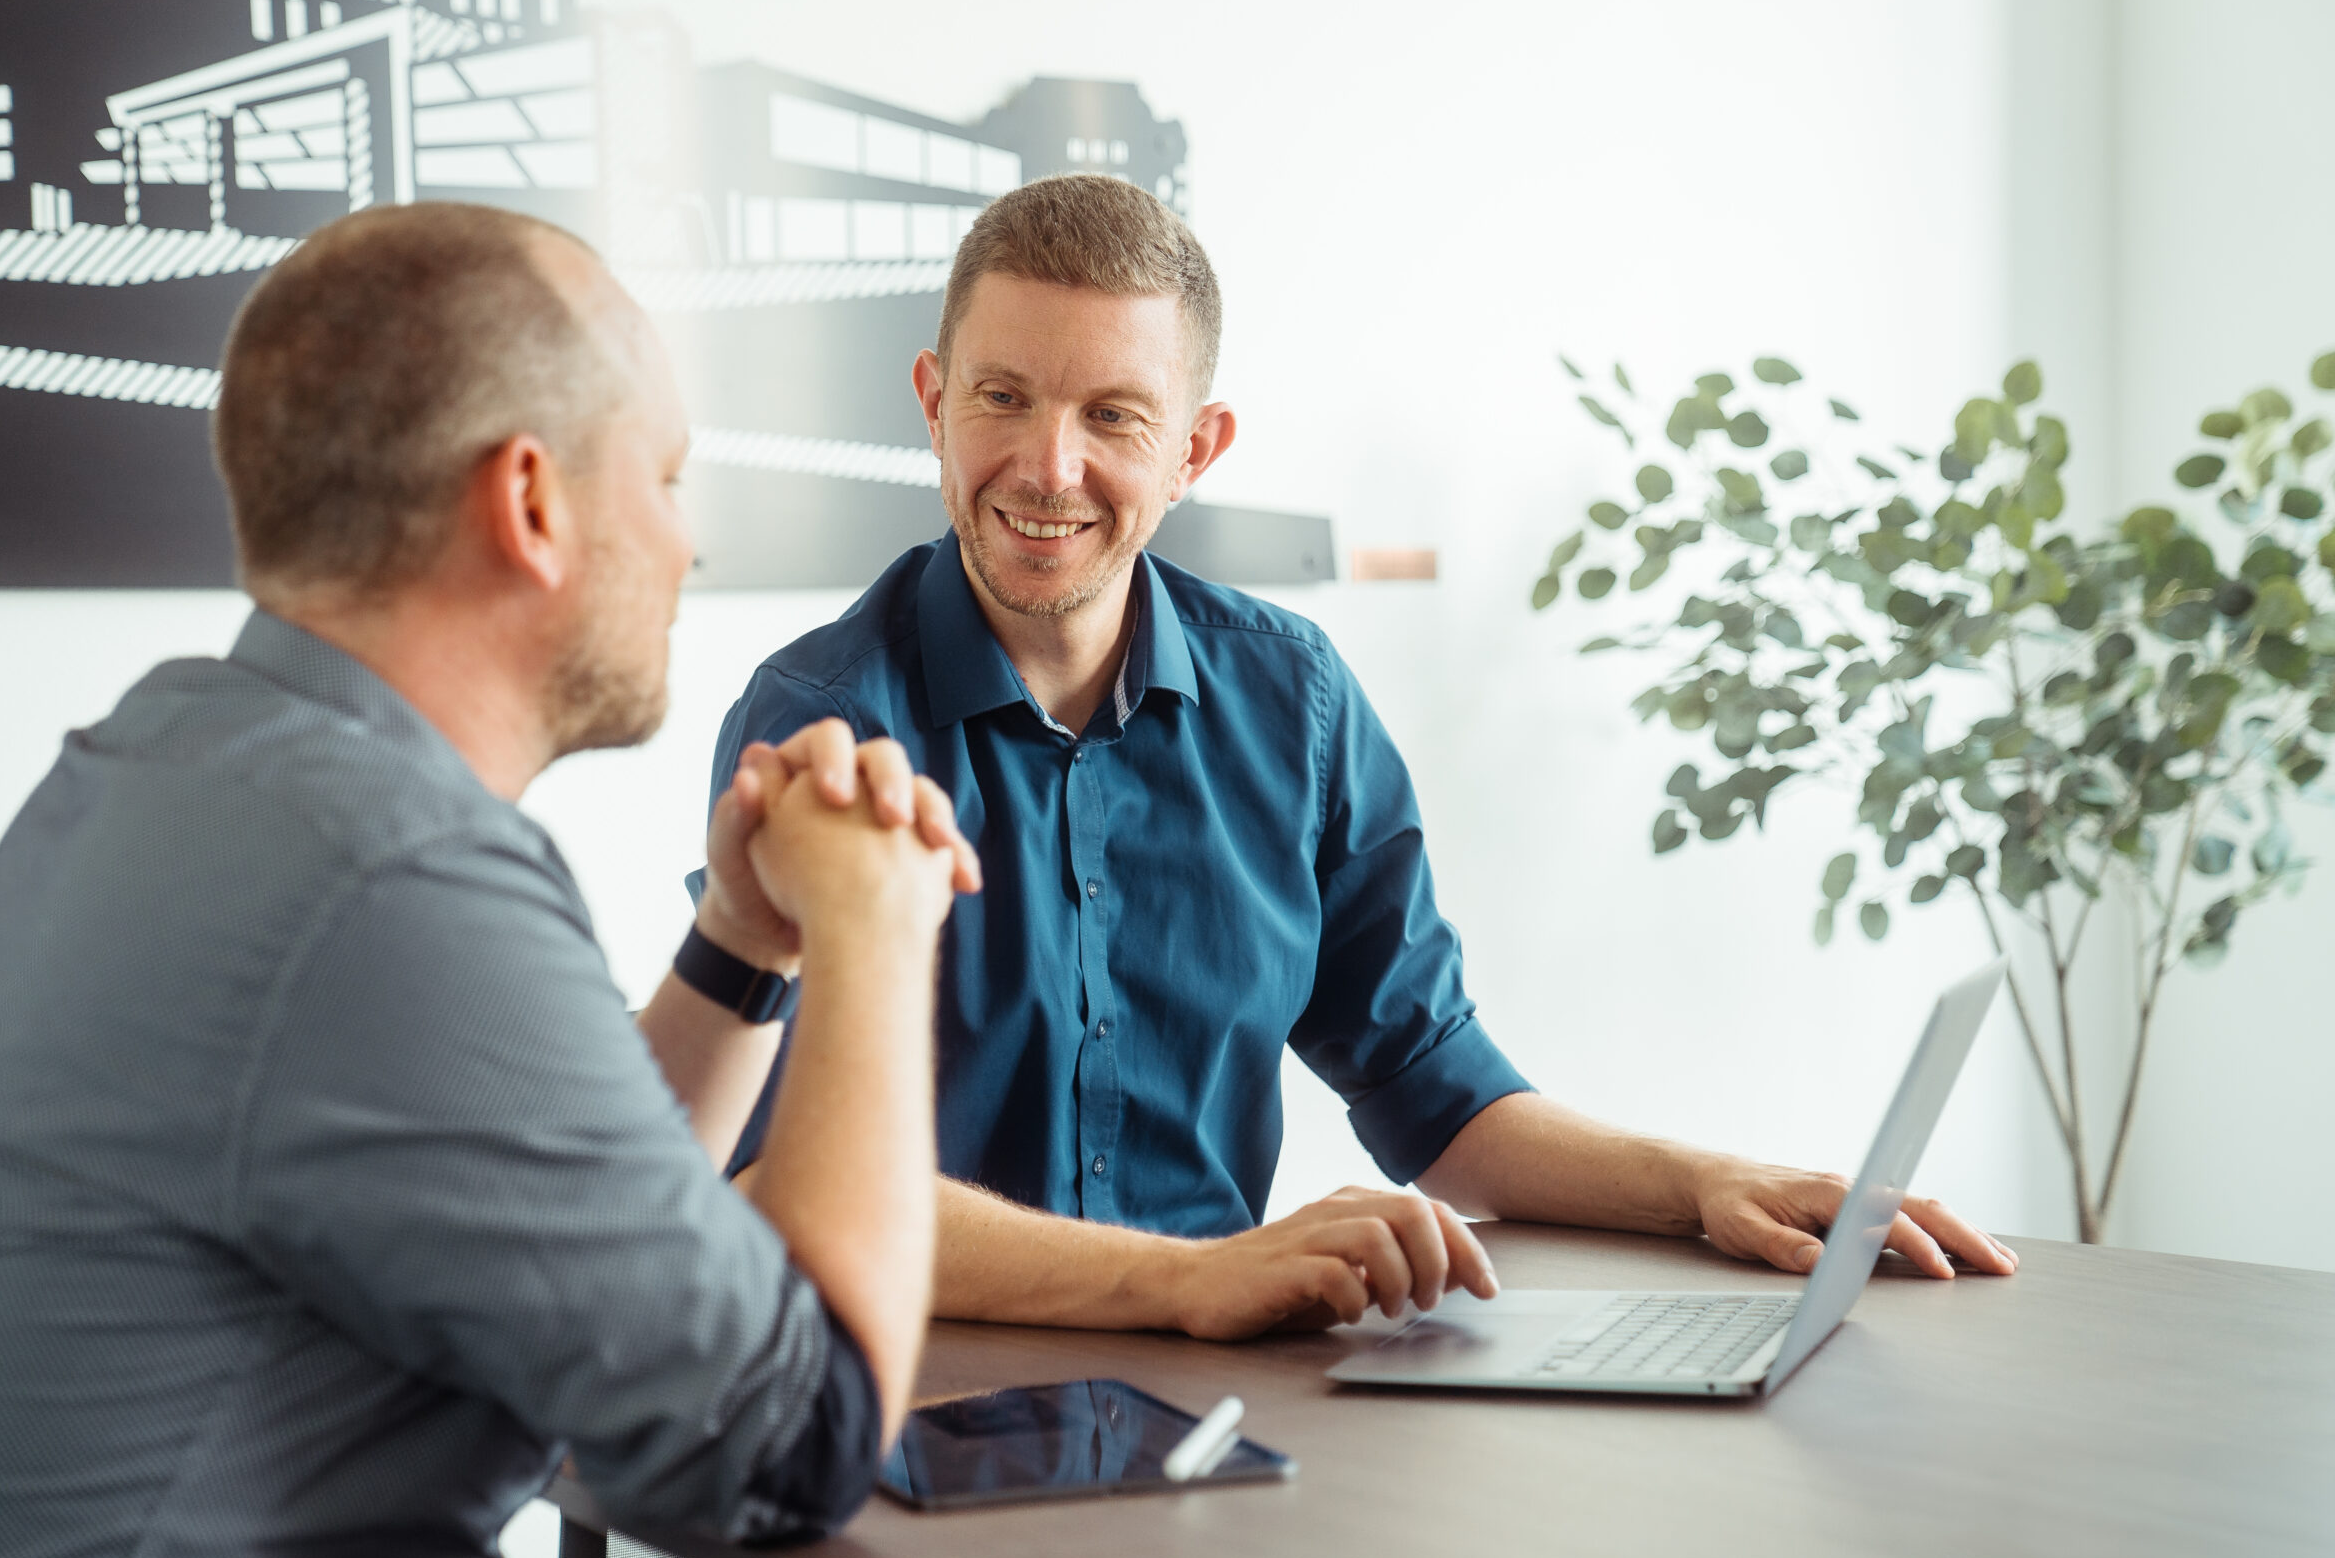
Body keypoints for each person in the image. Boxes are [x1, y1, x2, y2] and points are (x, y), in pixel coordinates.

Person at [0, 202, 978, 1558]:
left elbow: (599, 1256)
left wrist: (745, 940)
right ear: (531, 504)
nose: (688, 540)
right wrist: (875, 923)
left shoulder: (186, 765)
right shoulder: (389, 875)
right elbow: (792, 1447)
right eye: (659, 478)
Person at [710, 173, 2020, 1349]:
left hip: (1216, 1405)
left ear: (1194, 454)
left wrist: (1700, 1184)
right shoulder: (824, 727)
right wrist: (1188, 1282)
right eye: (1005, 398)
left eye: (1114, 415)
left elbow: (1435, 1095)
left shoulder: (1295, 702)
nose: (1050, 467)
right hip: (888, 1414)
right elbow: (794, 1187)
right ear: (936, 405)